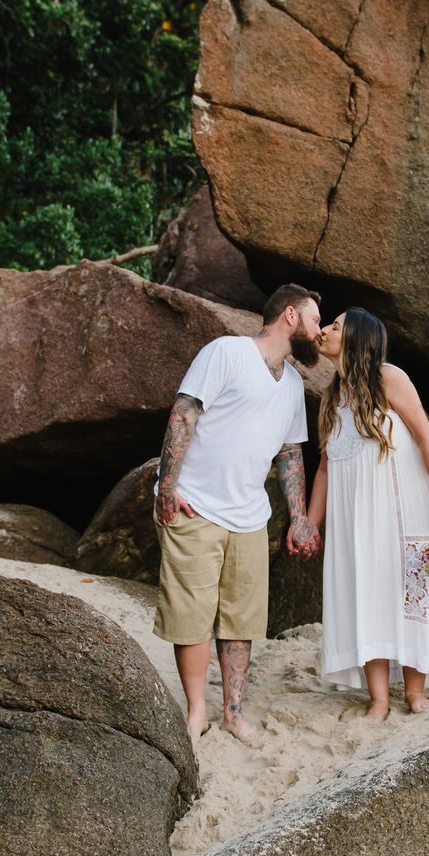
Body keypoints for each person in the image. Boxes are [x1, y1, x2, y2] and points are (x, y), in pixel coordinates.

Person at [153, 283, 323, 744]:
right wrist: (167, 487)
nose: (319, 330)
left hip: (250, 516)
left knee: (239, 620)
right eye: (313, 320)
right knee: (191, 614)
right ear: (290, 316)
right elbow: (184, 413)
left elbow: (290, 453)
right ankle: (197, 712)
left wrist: (299, 517)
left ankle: (233, 713)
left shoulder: (293, 384)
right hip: (196, 505)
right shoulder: (226, 352)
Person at [308, 308, 429, 718]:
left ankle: (415, 693)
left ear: (357, 338)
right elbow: (325, 468)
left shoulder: (389, 378)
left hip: (402, 510)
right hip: (355, 523)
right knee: (366, 597)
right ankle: (379, 698)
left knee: (410, 593)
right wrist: (311, 522)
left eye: (335, 326)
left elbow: (426, 437)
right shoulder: (331, 397)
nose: (325, 330)